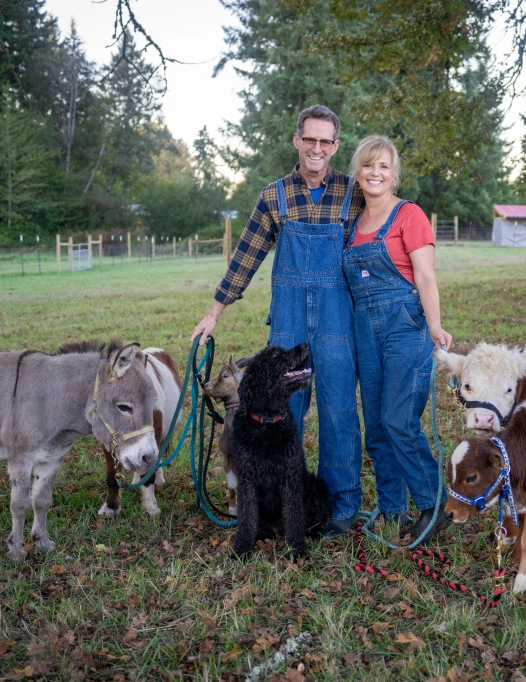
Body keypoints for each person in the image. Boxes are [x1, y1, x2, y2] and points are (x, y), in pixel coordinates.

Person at [191, 105, 365, 538]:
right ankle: (280, 505)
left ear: (335, 146)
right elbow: (246, 256)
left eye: (325, 141)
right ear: (297, 141)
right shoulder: (275, 196)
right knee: (282, 412)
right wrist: (214, 312)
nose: (317, 148)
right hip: (288, 320)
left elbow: (382, 239)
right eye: (310, 139)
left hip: (338, 320)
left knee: (340, 411)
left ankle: (342, 506)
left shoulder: (353, 192)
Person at [341, 135, 452, 542]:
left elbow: (425, 276)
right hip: (364, 330)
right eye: (368, 165)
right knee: (376, 426)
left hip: (405, 325)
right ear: (357, 172)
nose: (375, 173)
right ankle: (392, 510)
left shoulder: (409, 215)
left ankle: (434, 503)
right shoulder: (352, 225)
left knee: (399, 420)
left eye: (384, 166)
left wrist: (435, 325)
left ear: (394, 175)